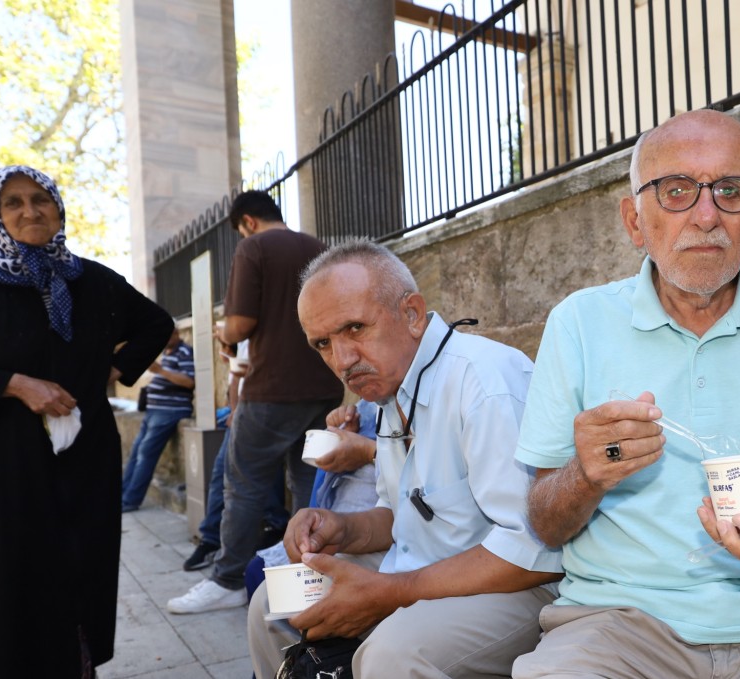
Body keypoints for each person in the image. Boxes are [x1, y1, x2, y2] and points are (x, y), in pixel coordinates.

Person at [511, 109, 740, 678]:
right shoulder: (578, 322)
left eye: (731, 191)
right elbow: (545, 522)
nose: (706, 215)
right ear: (635, 222)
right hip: (618, 624)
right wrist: (587, 475)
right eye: (676, 191)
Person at [248, 240, 563, 678]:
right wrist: (342, 528)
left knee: (392, 656)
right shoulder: (387, 388)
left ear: (412, 314)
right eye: (322, 343)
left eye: (355, 328)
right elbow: (400, 515)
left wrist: (390, 592)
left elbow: (532, 550)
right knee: (273, 601)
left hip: (519, 587)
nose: (342, 360)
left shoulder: (484, 382)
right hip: (425, 568)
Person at [0, 165, 174, 677]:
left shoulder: (93, 280)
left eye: (41, 199)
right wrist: (16, 384)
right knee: (16, 571)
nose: (29, 211)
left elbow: (157, 324)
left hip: (86, 457)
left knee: (80, 565)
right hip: (5, 459)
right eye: (14, 203)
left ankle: (77, 664)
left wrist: (111, 371)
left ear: (59, 208)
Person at [167, 190, 344, 614]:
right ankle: (310, 573)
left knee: (243, 484)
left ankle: (228, 579)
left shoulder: (254, 247)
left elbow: (241, 323)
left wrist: (224, 334)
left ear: (246, 221)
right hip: (324, 385)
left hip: (270, 390)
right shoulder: (320, 247)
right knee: (310, 483)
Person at [246, 399, 382, 676]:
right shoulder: (369, 403)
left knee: (272, 594)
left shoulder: (454, 388)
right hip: (351, 525)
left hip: (394, 548)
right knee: (262, 581)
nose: (342, 362)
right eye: (324, 351)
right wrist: (343, 434)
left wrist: (370, 452)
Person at [183, 340, 288, 571]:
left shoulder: (261, 324)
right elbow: (236, 374)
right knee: (224, 474)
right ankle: (212, 538)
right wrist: (234, 410)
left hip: (261, 408)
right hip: (244, 410)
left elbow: (244, 371)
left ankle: (273, 527)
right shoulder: (244, 336)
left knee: (240, 475)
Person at [120, 326, 195, 512]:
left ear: (176, 334)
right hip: (154, 411)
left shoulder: (185, 352)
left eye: (167, 336)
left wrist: (160, 371)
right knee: (136, 452)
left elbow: (189, 381)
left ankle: (130, 500)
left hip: (170, 411)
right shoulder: (166, 352)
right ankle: (122, 495)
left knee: (145, 453)